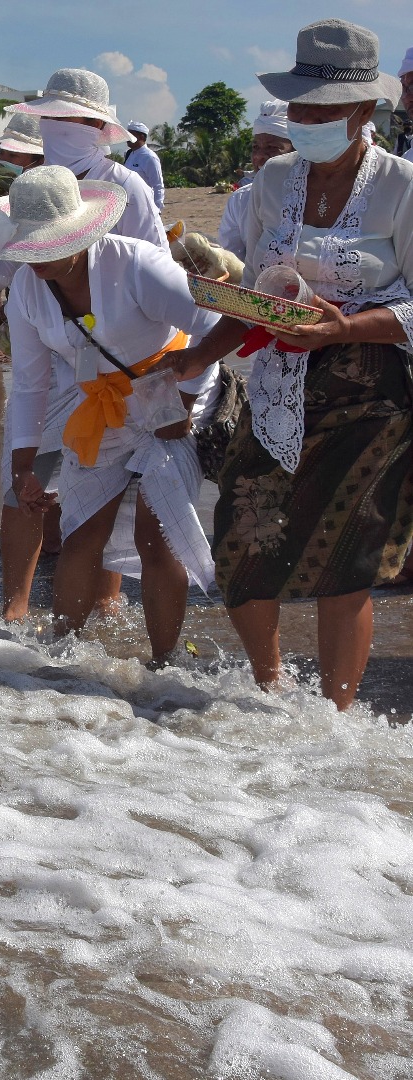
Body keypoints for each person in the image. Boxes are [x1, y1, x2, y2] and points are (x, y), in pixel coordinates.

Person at [171, 19, 413, 710]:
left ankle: (333, 719)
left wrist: (346, 326)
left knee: (345, 559)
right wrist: (197, 355)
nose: (304, 120)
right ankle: (271, 693)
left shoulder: (402, 186)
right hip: (279, 385)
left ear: (362, 110)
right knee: (240, 542)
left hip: (370, 391)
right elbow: (255, 292)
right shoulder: (273, 180)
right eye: (299, 107)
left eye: (321, 110)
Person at [0, 166, 222, 664]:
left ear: (79, 233)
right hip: (102, 403)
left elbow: (212, 324)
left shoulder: (136, 264)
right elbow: (30, 383)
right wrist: (23, 466)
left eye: (48, 246)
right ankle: (59, 659)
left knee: (157, 534)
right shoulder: (26, 289)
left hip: (173, 388)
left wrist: (184, 401)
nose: (37, 259)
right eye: (29, 247)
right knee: (83, 529)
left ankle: (163, 665)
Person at [8, 69, 167, 249]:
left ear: (95, 124)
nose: (50, 123)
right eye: (46, 116)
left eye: (61, 116)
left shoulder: (124, 186)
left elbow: (156, 256)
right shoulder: (30, 184)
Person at [218, 102, 292, 261]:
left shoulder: (318, 198)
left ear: (296, 151)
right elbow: (231, 260)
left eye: (271, 148)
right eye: (255, 147)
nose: (259, 156)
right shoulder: (240, 200)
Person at [122, 121, 167, 212]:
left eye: (131, 135)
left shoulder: (149, 157)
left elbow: (157, 185)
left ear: (141, 137)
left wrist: (157, 208)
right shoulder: (129, 154)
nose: (127, 137)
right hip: (129, 205)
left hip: (145, 206)